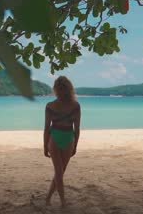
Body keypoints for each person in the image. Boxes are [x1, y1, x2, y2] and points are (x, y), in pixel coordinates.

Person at [43, 76, 81, 208]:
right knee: (59, 172)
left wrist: (44, 146)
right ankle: (63, 202)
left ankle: (48, 198)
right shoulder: (75, 106)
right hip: (68, 138)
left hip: (54, 138)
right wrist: (75, 145)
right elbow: (77, 129)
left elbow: (47, 128)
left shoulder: (50, 105)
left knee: (59, 172)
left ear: (56, 89)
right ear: (69, 89)